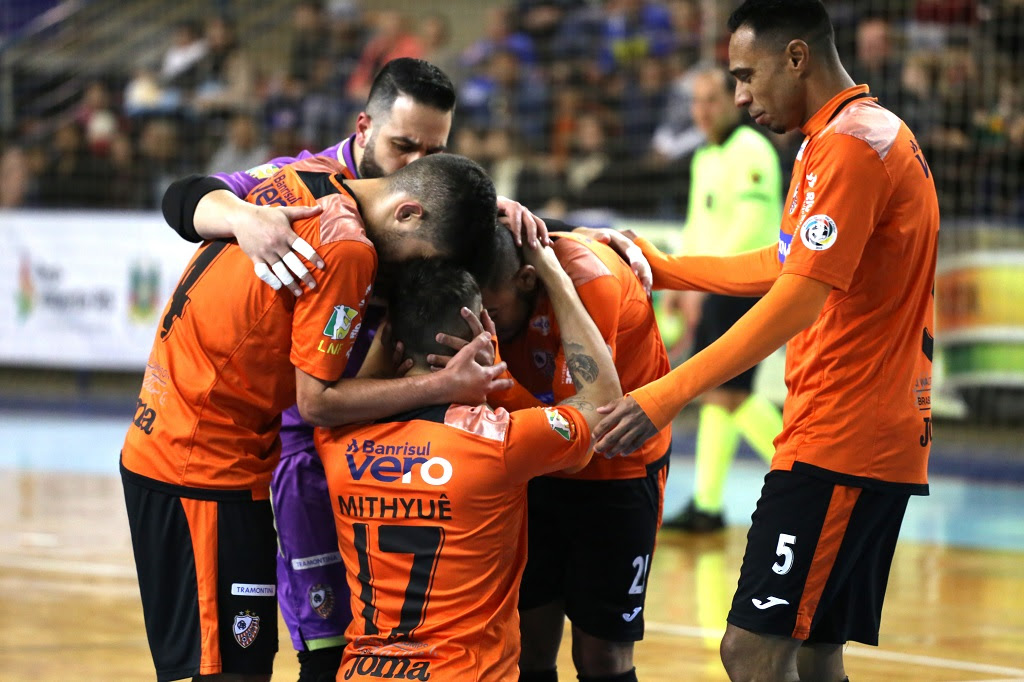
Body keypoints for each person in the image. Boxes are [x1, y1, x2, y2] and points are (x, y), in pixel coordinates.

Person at [162, 58, 557, 682]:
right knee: (325, 647)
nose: (414, 163)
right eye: (403, 145)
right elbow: (186, 195)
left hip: (409, 443)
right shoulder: (307, 185)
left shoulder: (434, 201)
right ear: (364, 127)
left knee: (401, 646)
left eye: (433, 152)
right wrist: (241, 217)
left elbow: (522, 240)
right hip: (312, 443)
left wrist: (610, 240)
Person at [590, 1, 939, 680]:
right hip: (864, 433)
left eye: (746, 76)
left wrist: (667, 394)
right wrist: (662, 267)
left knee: (751, 650)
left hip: (844, 437)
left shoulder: (847, 145)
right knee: (812, 654)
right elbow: (786, 263)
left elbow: (796, 299)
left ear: (796, 58)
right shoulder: (854, 132)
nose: (740, 96)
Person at [121, 152, 504, 682]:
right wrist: (446, 385)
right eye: (420, 258)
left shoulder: (305, 177)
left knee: (233, 663)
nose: (410, 274)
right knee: (231, 670)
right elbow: (317, 403)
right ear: (408, 212)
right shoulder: (350, 250)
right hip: (200, 467)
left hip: (179, 444)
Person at [317, 251, 622, 681]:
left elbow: (358, 389)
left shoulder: (336, 440)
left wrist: (392, 334)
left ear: (392, 339)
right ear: (482, 332)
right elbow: (603, 401)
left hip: (362, 673)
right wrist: (555, 275)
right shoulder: (501, 441)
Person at [480, 228, 671, 682]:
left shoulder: (590, 281)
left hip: (617, 469)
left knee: (602, 656)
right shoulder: (488, 279)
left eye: (494, 312)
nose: (489, 325)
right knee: (527, 645)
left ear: (529, 278)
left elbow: (580, 436)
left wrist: (494, 380)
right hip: (533, 468)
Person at [660, 65, 784, 533]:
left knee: (730, 394)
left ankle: (810, 473)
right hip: (715, 287)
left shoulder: (752, 149)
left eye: (711, 100)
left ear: (733, 100)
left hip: (744, 285)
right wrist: (681, 280)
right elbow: (698, 225)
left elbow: (752, 228)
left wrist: (704, 282)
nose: (703, 110)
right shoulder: (704, 157)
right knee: (717, 394)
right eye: (696, 102)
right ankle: (708, 504)